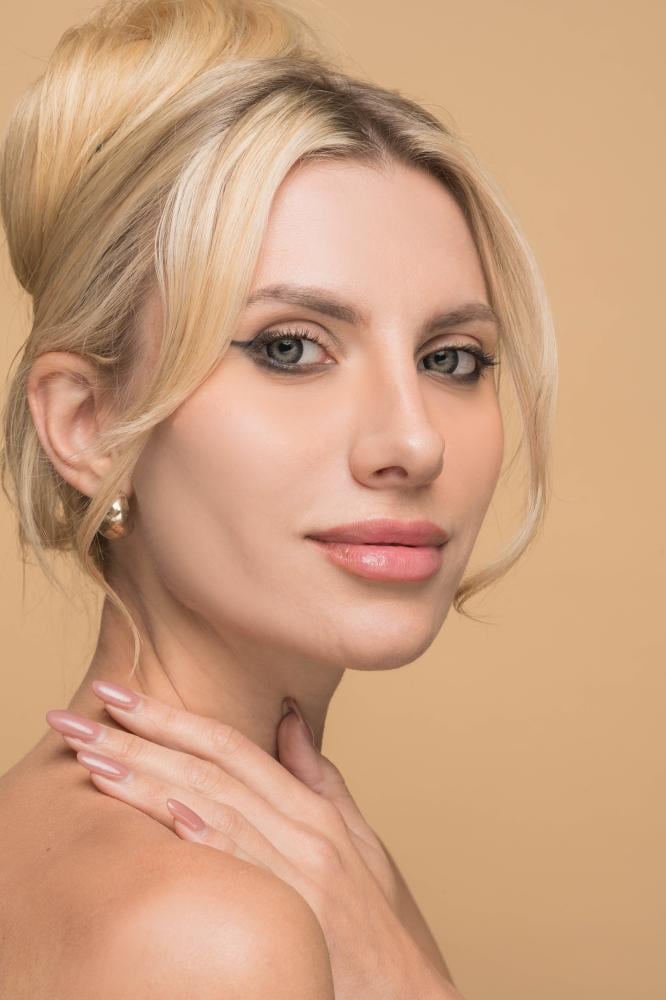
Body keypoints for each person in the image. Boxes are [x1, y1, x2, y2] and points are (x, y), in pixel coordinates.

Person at [0, 0, 557, 996]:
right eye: (291, 347)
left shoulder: (306, 866)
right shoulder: (215, 931)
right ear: (87, 423)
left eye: (451, 358)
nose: (414, 441)